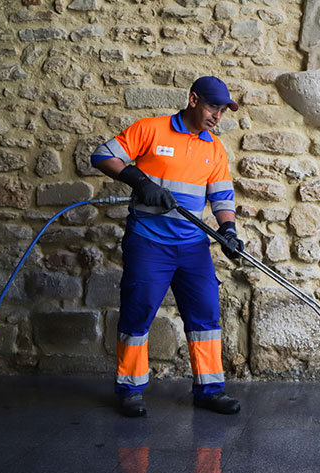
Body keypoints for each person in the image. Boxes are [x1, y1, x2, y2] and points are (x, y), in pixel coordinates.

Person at [91, 76, 244, 417]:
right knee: (138, 310)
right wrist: (139, 180)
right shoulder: (151, 129)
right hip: (149, 241)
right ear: (193, 99)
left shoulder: (214, 148)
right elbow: (102, 155)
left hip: (193, 247)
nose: (217, 116)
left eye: (222, 110)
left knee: (205, 315)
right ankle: (130, 389)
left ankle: (209, 390)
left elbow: (221, 195)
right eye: (212, 107)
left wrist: (229, 230)